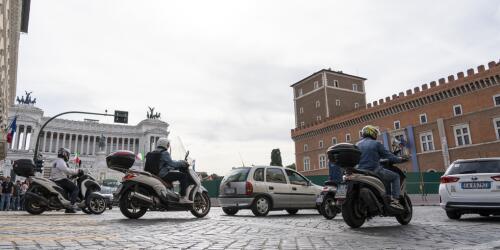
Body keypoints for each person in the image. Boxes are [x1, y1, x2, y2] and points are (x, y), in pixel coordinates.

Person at [356, 125, 406, 209]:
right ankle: (395, 201)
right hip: (374, 170)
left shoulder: (357, 144)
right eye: (375, 133)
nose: (376, 135)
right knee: (395, 177)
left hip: (360, 171)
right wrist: (400, 159)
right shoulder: (376, 143)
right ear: (371, 133)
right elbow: (389, 156)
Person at [154, 138, 192, 203]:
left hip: (155, 173)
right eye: (168, 144)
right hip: (162, 174)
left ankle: (170, 197)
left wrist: (174, 165)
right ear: (164, 144)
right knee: (183, 176)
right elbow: (172, 163)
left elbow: (164, 164)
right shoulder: (164, 153)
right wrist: (182, 163)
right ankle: (183, 197)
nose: (168, 146)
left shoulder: (154, 152)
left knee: (172, 176)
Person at [50, 148, 81, 213]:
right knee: (76, 189)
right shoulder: (61, 161)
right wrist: (76, 172)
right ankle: (72, 204)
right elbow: (66, 170)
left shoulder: (55, 161)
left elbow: (62, 171)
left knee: (69, 191)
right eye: (68, 154)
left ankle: (68, 209)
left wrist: (70, 177)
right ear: (65, 154)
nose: (68, 156)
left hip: (56, 179)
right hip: (60, 180)